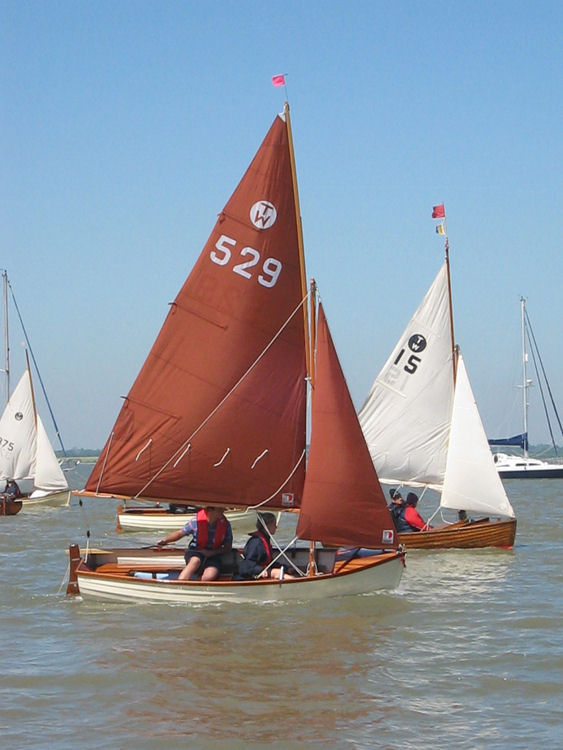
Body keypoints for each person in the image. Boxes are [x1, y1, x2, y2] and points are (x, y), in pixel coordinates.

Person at [156, 506, 233, 581]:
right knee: (195, 561)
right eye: (219, 509)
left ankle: (197, 587)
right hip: (195, 552)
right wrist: (165, 541)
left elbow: (228, 547)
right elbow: (180, 533)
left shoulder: (226, 525)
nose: (223, 511)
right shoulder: (196, 522)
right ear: (209, 510)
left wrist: (212, 553)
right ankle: (180, 583)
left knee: (210, 575)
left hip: (213, 556)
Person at [237, 512, 295, 580]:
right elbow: (248, 566)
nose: (276, 527)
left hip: (263, 570)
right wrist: (261, 570)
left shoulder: (265, 539)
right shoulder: (256, 542)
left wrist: (286, 568)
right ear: (267, 526)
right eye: (274, 524)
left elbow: (270, 563)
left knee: (287, 574)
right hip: (253, 575)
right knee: (288, 578)